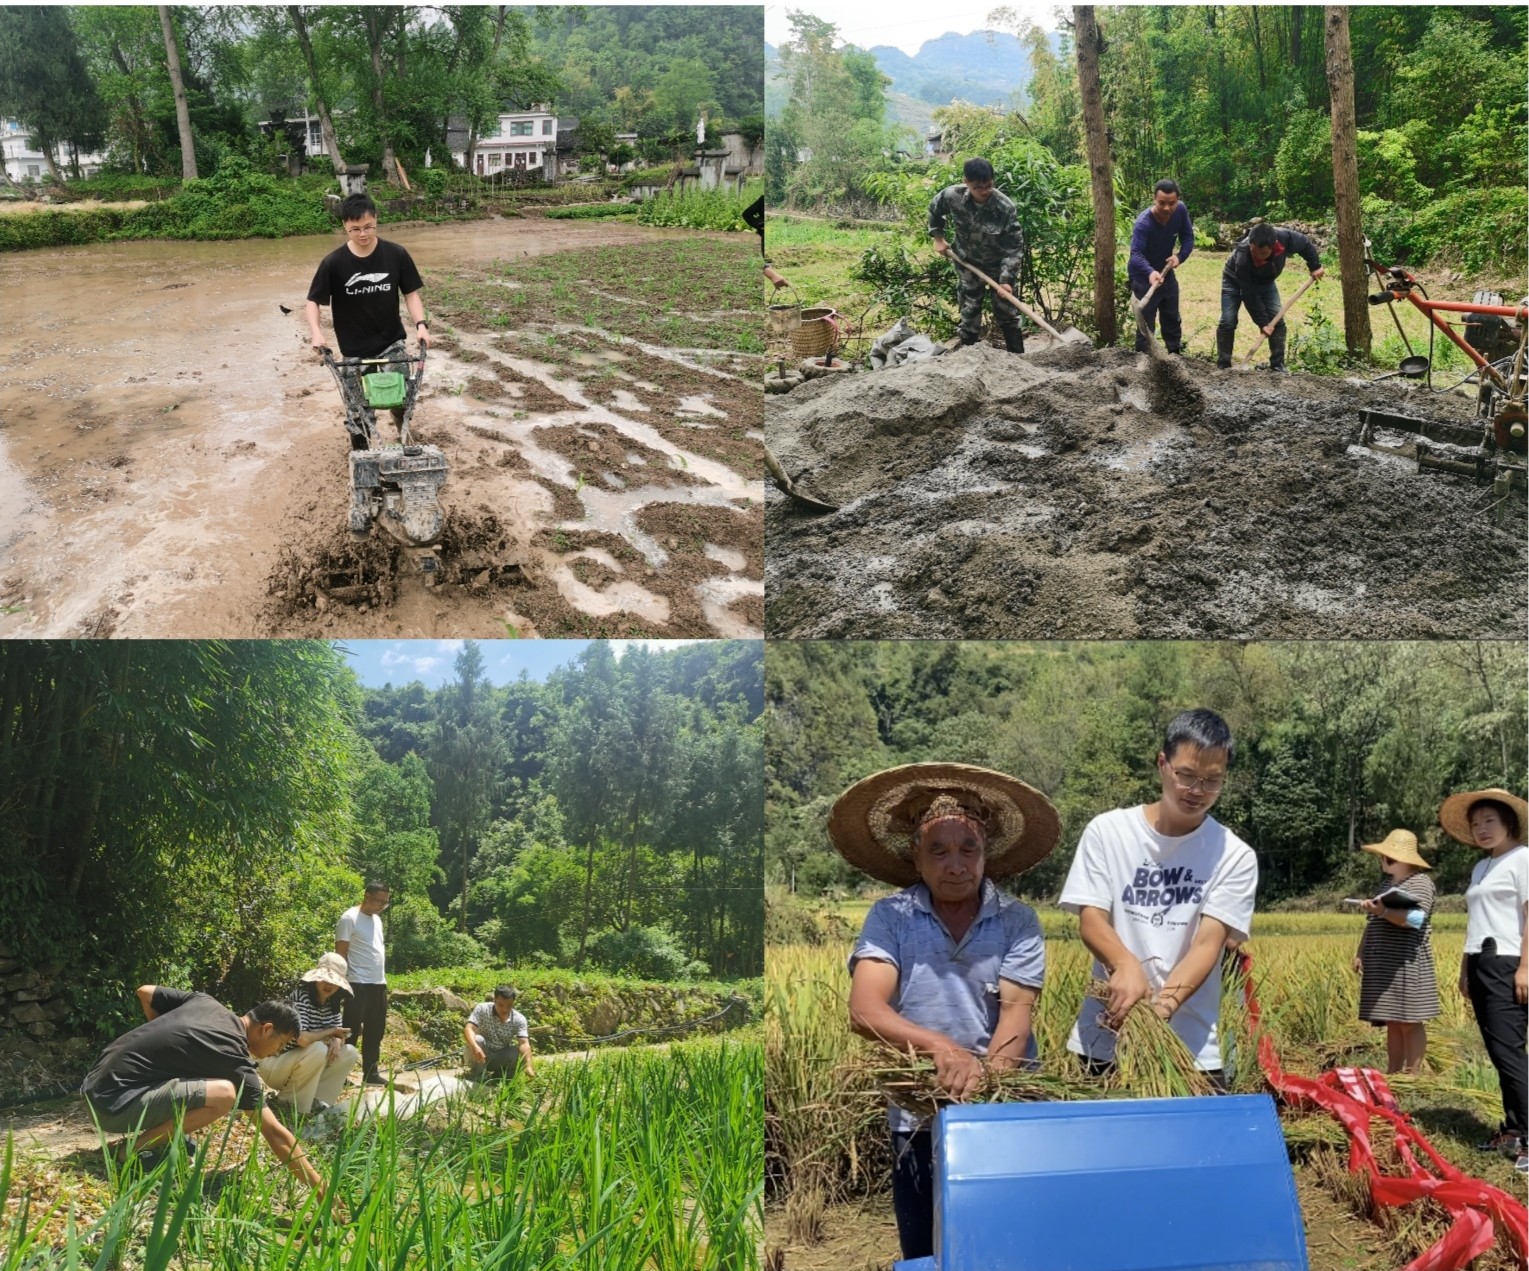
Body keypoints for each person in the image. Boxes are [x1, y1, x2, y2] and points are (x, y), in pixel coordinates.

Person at [836, 762, 1059, 1261]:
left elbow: (1016, 1019)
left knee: (1003, 1247)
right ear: (915, 858)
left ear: (987, 855)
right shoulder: (890, 917)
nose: (955, 865)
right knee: (925, 1249)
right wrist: (941, 1048)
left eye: (968, 850)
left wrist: (986, 1087)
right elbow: (865, 1008)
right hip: (916, 1112)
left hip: (1000, 1110)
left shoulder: (1017, 920)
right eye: (938, 851)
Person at [1059, 709, 1257, 1085]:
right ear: (1162, 764)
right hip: (1104, 1037)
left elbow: (1207, 944)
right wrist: (1125, 965)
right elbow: (1091, 920)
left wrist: (1160, 1009)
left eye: (1212, 781)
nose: (1197, 790)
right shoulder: (1108, 831)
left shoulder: (1234, 854)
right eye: (1186, 775)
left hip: (1193, 1050)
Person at [81, 988, 326, 1197]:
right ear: (266, 1029)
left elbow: (145, 991)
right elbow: (275, 1133)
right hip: (111, 1107)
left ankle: (152, 1141)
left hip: (93, 1086)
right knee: (224, 1094)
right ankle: (129, 1152)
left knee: (207, 1086)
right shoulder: (233, 1057)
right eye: (280, 1045)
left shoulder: (206, 1002)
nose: (276, 1052)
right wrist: (320, 1190)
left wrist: (162, 1048)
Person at [1439, 787, 1527, 1172]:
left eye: (1489, 821)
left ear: (1508, 823)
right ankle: (1513, 1130)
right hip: (1480, 961)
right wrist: (1463, 968)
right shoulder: (1480, 867)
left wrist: (1526, 967)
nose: (1482, 829)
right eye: (1476, 824)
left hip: (1508, 961)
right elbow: (1476, 921)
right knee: (1497, 1050)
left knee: (1509, 1052)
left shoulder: (1522, 859)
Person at [305, 192, 430, 440]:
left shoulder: (396, 254)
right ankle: (362, 457)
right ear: (345, 227)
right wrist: (317, 333)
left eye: (368, 227)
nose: (363, 234)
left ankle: (405, 439)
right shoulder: (334, 263)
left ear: (376, 220)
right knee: (358, 411)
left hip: (391, 342)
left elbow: (411, 294)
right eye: (355, 229)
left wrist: (421, 325)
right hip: (353, 350)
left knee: (401, 399)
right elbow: (313, 302)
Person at [1352, 829, 1439, 1074]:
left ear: (1406, 860)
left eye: (1389, 859)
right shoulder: (1386, 884)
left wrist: (1383, 912)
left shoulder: (1421, 883)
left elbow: (1415, 919)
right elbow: (1373, 922)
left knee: (1410, 1021)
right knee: (1392, 1019)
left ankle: (1413, 1074)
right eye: (1383, 858)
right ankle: (1393, 1071)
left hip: (1406, 962)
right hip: (1383, 961)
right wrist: (1361, 951)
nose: (1383, 862)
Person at [928, 158, 1027, 354]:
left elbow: (1013, 246)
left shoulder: (1004, 207)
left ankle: (1018, 358)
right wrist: (938, 238)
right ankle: (969, 355)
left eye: (988, 186)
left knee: (1007, 312)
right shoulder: (952, 196)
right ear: (966, 182)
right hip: (967, 263)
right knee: (969, 311)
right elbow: (934, 210)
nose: (984, 191)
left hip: (998, 267)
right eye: (978, 187)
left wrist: (1006, 279)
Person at [258, 952, 359, 1118]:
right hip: (275, 1064)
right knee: (318, 1049)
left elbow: (340, 1033)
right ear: (316, 978)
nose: (329, 985)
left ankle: (318, 1101)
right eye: (325, 979)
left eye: (334, 981)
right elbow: (303, 1039)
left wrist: (336, 1039)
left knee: (349, 1052)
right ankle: (288, 1104)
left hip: (301, 1063)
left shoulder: (332, 1004)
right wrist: (332, 1032)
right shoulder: (301, 996)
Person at [1216, 221, 1324, 373]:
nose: (1258, 258)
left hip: (1266, 282)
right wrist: (1262, 323)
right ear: (1250, 245)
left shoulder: (1285, 238)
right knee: (1228, 320)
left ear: (1273, 246)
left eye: (1264, 254)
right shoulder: (1242, 257)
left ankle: (1277, 365)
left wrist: (1315, 266)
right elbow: (1249, 295)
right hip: (1234, 280)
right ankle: (1223, 364)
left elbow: (1305, 245)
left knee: (1277, 320)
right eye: (1254, 253)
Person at [1127, 180, 1195, 355]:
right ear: (1154, 200)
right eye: (1162, 203)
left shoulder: (1180, 210)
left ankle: (1175, 356)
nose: (1167, 208)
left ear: (1177, 200)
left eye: (1171, 203)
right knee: (1146, 325)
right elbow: (1136, 254)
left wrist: (1179, 257)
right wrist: (1150, 273)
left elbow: (1188, 237)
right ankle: (1143, 361)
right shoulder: (1144, 223)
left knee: (1172, 318)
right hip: (1143, 277)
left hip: (1167, 272)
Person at [336, 882, 390, 1085]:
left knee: (376, 1030)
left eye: (385, 903)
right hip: (356, 982)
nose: (381, 906)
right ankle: (340, 1074)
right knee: (350, 1030)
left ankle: (371, 1073)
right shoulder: (349, 918)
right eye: (379, 901)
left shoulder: (377, 920)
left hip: (378, 982)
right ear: (367, 896)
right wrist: (341, 982)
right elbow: (340, 953)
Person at [463, 985, 537, 1082]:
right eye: (501, 1005)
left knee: (517, 1052)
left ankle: (499, 1079)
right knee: (477, 1040)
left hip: (499, 1056)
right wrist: (475, 1047)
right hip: (479, 1054)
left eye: (509, 1005)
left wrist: (528, 1065)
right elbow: (469, 1028)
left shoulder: (519, 1019)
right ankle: (478, 1076)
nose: (505, 1009)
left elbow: (524, 1043)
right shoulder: (482, 1009)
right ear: (494, 1000)